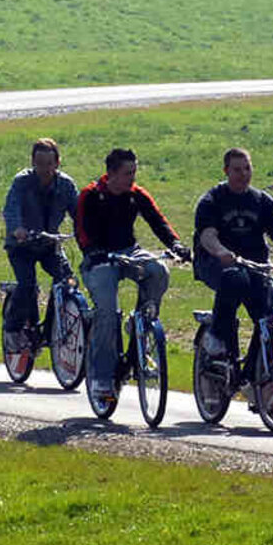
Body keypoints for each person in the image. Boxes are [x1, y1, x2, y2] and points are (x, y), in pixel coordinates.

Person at [75, 148, 191, 408]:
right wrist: (93, 252)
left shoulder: (136, 195)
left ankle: (141, 324)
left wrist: (176, 245)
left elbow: (158, 221)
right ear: (112, 173)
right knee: (107, 312)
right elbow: (81, 230)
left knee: (159, 271)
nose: (132, 178)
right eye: (128, 173)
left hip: (129, 252)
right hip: (100, 259)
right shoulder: (91, 195)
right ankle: (103, 379)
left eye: (134, 172)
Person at [194, 148, 273, 374]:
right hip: (216, 264)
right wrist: (221, 253)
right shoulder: (212, 200)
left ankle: (252, 375)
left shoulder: (262, 201)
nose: (243, 174)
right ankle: (217, 337)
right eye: (237, 169)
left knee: (270, 317)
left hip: (256, 265)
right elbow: (207, 235)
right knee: (234, 279)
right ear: (226, 171)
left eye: (247, 168)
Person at [1, 138, 80, 350]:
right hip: (22, 246)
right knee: (27, 285)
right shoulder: (22, 182)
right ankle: (12, 329)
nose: (45, 169)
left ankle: (54, 325)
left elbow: (79, 213)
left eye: (49, 163)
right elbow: (11, 208)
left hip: (49, 245)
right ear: (32, 162)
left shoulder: (66, 185)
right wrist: (17, 229)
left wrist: (88, 231)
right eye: (40, 163)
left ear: (58, 163)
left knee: (68, 281)